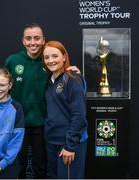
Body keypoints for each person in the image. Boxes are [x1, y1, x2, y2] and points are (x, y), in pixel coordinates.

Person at [0, 23, 80, 179]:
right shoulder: (13, 60)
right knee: (18, 165)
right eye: (28, 39)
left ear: (43, 40)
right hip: (16, 124)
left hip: (42, 124)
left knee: (41, 166)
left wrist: (71, 70)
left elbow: (60, 73)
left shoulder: (47, 60)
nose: (33, 42)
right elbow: (2, 84)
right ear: (23, 41)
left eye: (37, 38)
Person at [42, 41, 88, 179]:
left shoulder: (73, 79)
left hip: (69, 144)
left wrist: (70, 146)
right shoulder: (48, 81)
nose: (51, 60)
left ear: (64, 57)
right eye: (47, 57)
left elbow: (79, 115)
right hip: (52, 141)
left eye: (55, 56)